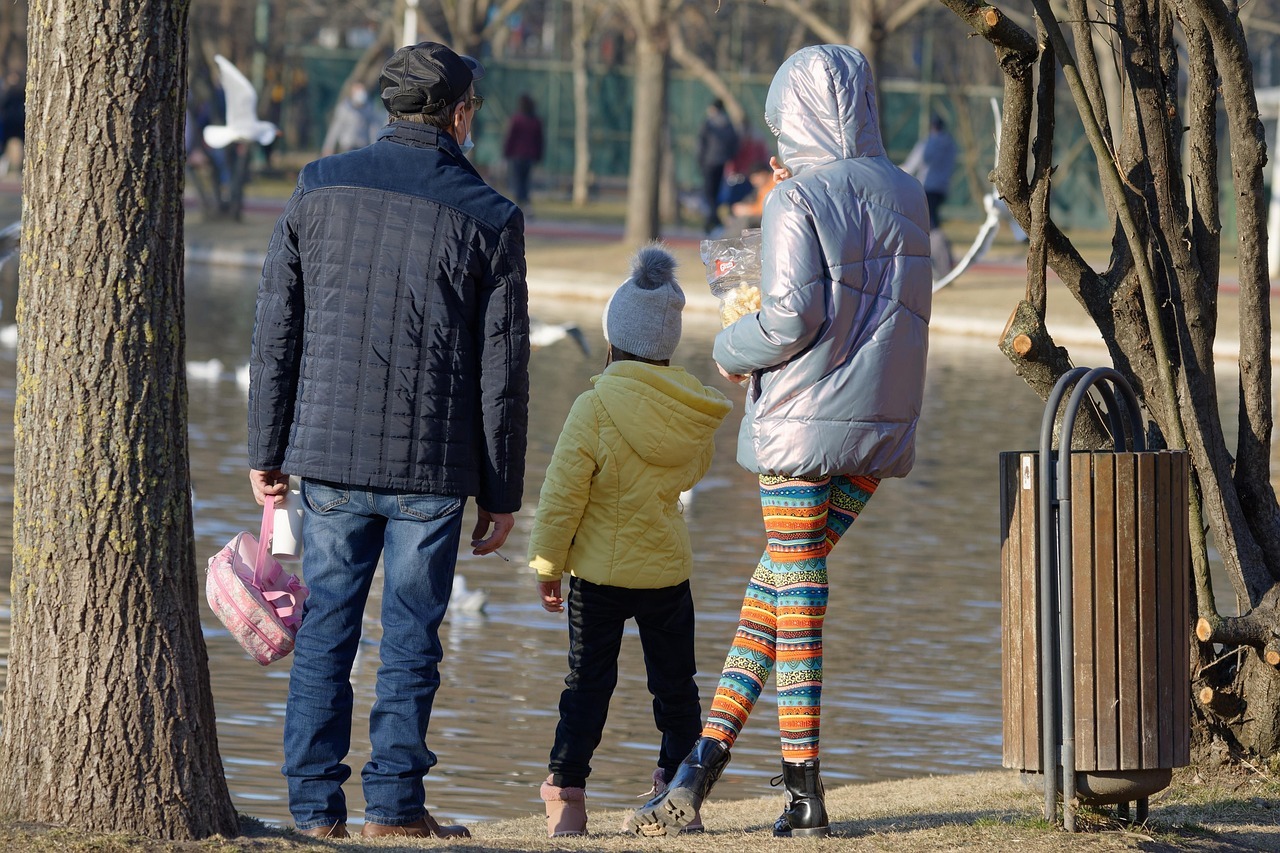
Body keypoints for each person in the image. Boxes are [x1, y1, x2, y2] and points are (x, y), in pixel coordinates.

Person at [629, 44, 932, 839]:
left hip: (803, 421)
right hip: (882, 425)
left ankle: (804, 790)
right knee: (776, 584)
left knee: (796, 596)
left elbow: (790, 317)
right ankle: (697, 772)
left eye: (779, 126)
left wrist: (731, 346)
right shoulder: (908, 191)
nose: (773, 146)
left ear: (796, 118)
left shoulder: (796, 198)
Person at [248, 41, 530, 841]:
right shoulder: (491, 216)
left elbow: (277, 330)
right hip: (431, 467)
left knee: (326, 628)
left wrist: (266, 448)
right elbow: (503, 371)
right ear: (459, 115)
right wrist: (502, 491)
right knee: (410, 635)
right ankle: (396, 808)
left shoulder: (316, 185)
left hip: (328, 455)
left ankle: (314, 811)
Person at [532, 244, 732, 838]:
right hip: (667, 571)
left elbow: (562, 496)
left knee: (587, 686)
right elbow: (692, 472)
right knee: (676, 689)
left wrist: (547, 564)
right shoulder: (692, 409)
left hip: (598, 575)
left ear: (614, 338)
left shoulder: (593, 406)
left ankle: (567, 797)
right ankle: (681, 793)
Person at [901, 115, 959, 276]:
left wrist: (893, 172)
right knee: (931, 223)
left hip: (927, 187)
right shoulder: (951, 145)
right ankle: (943, 263)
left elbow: (911, 166)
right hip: (942, 189)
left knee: (931, 226)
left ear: (932, 127)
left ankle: (942, 265)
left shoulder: (927, 143)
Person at [697, 99, 739, 235]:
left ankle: (712, 218)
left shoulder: (709, 124)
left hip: (709, 162)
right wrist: (728, 156)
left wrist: (700, 160)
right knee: (716, 192)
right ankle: (714, 217)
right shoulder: (728, 124)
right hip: (722, 162)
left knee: (709, 192)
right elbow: (735, 143)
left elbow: (701, 143)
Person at [502, 93, 544, 207]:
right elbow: (540, 140)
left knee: (517, 180)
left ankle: (520, 203)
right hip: (530, 156)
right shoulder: (535, 121)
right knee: (525, 181)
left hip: (517, 154)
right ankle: (525, 203)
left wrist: (506, 152)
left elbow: (510, 137)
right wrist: (538, 155)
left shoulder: (517, 119)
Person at [321, 81, 379, 156]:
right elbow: (335, 129)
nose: (360, 92)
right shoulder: (344, 108)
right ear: (352, 92)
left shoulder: (369, 108)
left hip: (362, 146)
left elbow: (373, 129)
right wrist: (328, 147)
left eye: (362, 90)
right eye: (358, 90)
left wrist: (375, 146)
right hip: (347, 146)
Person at [726, 161, 779, 232]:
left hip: (770, 219)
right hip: (762, 216)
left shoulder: (773, 184)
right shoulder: (761, 188)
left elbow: (766, 208)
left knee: (746, 220)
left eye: (755, 178)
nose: (753, 182)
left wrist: (748, 210)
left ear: (763, 174)